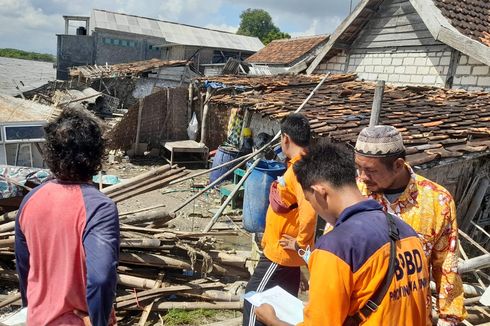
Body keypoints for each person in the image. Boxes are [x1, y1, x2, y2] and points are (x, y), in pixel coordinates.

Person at [255, 142, 430, 325]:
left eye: (309, 200)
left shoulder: (335, 248)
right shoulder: (406, 232)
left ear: (319, 192)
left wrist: (272, 320)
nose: (313, 208)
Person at [15, 108, 119, 326]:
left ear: (51, 152)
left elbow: (24, 267)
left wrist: (32, 308)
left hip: (38, 319)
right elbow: (101, 279)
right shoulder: (99, 208)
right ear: (96, 154)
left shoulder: (31, 200)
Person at [354, 125, 466, 325]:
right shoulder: (354, 194)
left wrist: (449, 319)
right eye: (359, 168)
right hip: (362, 317)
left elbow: (446, 267)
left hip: (413, 317)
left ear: (398, 165)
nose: (362, 176)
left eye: (370, 170)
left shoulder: (436, 202)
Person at [243, 114, 317, 326]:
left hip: (280, 253)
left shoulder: (299, 169)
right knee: (284, 305)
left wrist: (300, 244)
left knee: (254, 298)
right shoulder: (301, 164)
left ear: (285, 138)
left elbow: (309, 211)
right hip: (286, 253)